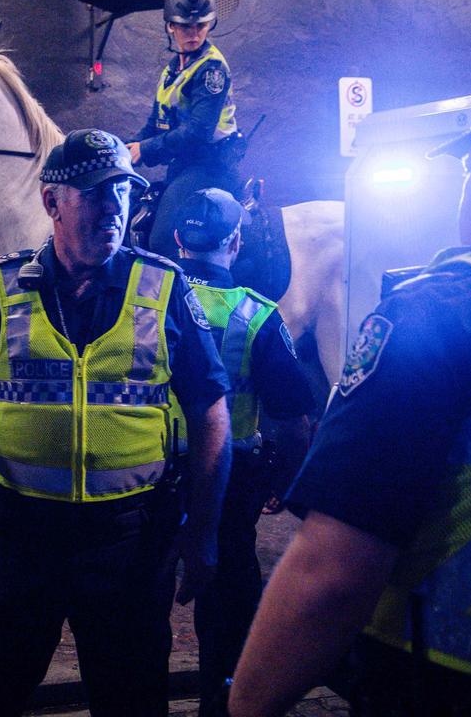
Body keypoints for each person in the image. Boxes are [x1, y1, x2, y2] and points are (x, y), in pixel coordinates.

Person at [228, 93, 471, 717]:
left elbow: (332, 574)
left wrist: (246, 705)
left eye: (469, 170)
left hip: (442, 684)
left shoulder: (441, 312)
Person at [0, 128, 233, 717]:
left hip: (129, 542)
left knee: (131, 696)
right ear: (52, 201)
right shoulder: (0, 287)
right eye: (94, 193)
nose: (114, 207)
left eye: (124, 192)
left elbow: (210, 408)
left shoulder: (163, 287)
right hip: (18, 537)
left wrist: (204, 530)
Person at [168, 188, 314, 717]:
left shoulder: (144, 303)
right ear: (235, 241)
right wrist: (291, 486)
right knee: (228, 613)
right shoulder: (257, 315)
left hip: (148, 480)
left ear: (179, 239)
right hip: (229, 482)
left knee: (134, 617)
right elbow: (293, 423)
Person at [127, 0, 242, 259]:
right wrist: (125, 148)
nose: (193, 34)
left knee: (164, 236)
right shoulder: (172, 70)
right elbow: (156, 123)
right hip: (185, 164)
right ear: (171, 26)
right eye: (185, 27)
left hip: (210, 165)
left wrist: (147, 150)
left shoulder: (211, 70)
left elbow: (197, 132)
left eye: (200, 26)